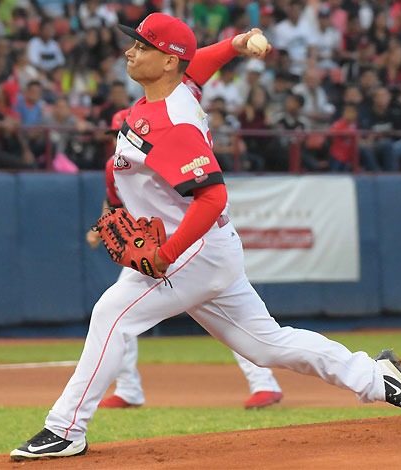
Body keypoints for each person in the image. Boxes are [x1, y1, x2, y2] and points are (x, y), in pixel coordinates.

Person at [10, 13, 401, 461]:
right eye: (133, 43)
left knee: (112, 314)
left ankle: (65, 428)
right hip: (207, 249)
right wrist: (238, 42)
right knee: (265, 344)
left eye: (142, 45)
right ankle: (374, 377)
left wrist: (167, 255)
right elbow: (200, 62)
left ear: (169, 61)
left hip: (192, 249)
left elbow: (211, 197)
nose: (130, 51)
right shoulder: (179, 88)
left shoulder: (175, 122)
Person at [93, 108, 283, 410]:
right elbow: (115, 207)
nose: (114, 140)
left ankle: (263, 383)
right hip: (151, 251)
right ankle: (128, 389)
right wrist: (103, 224)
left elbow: (199, 195)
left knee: (234, 317)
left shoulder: (164, 151)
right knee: (113, 315)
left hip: (190, 245)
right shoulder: (112, 167)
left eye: (119, 133)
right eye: (112, 134)